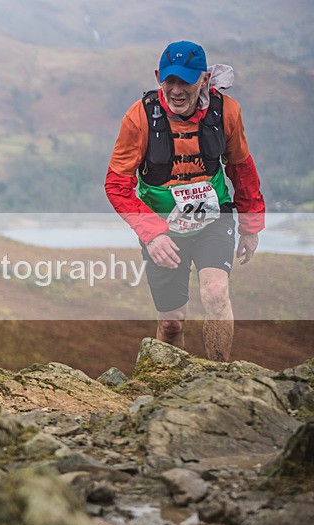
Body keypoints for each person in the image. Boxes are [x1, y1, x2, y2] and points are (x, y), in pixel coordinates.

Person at [105, 40, 265, 362]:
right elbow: (117, 185)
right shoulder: (139, 118)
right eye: (170, 81)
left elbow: (241, 168)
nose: (176, 91)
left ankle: (219, 375)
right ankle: (168, 382)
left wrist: (251, 226)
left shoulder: (226, 112)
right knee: (171, 323)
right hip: (163, 228)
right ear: (158, 77)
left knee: (216, 292)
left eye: (186, 81)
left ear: (204, 80)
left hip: (214, 219)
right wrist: (152, 233)